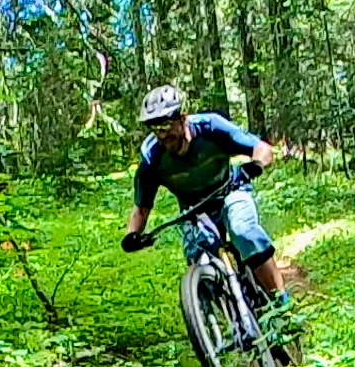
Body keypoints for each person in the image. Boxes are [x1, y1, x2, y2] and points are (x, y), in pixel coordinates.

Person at [120, 85, 293, 313]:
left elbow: (261, 148)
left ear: (182, 118)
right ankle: (229, 318)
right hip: (195, 210)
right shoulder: (152, 158)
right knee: (197, 256)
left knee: (243, 231)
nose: (163, 135)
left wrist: (256, 165)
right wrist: (132, 235)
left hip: (230, 190)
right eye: (155, 128)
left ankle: (282, 303)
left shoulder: (211, 127)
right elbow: (141, 208)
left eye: (165, 125)